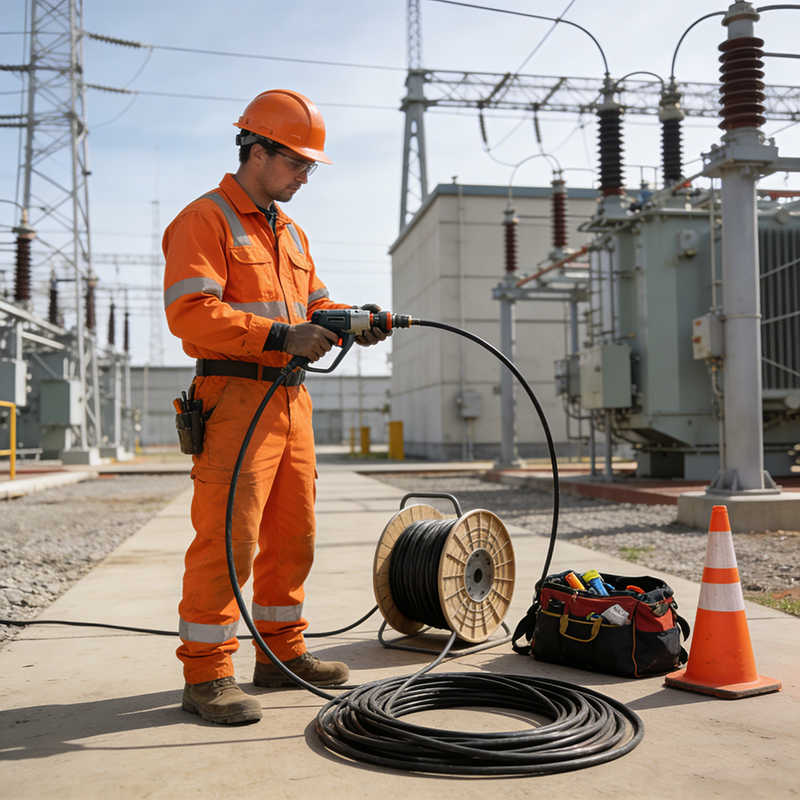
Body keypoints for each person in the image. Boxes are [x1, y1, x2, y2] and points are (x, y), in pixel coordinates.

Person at [162, 89, 389, 725]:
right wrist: (279, 337)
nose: (305, 176)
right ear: (256, 151)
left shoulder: (290, 233)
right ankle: (207, 674)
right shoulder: (203, 220)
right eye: (297, 164)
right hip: (234, 397)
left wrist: (350, 321)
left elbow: (314, 306)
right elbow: (193, 314)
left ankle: (280, 653)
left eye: (311, 167)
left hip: (290, 401)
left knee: (294, 534)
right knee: (229, 540)